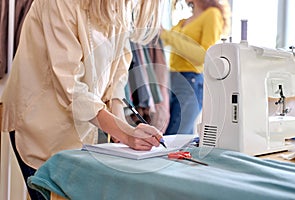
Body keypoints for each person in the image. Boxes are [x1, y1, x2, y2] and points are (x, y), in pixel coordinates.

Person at [1, 0, 164, 199]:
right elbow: (70, 87)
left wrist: (122, 132)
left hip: (81, 129)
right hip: (40, 124)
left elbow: (117, 74)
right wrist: (125, 133)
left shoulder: (120, 6)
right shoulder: (59, 3)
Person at [160, 0, 230, 135]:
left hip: (190, 81)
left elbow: (204, 55)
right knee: (168, 135)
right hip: (171, 80)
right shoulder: (182, 21)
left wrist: (167, 35)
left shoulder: (212, 14)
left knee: (176, 136)